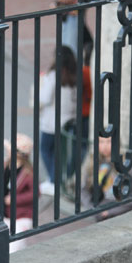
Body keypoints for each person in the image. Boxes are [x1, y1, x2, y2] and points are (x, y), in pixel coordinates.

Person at [39, 46, 77, 195]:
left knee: (45, 149)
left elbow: (45, 98)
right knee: (59, 152)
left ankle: (54, 181)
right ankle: (58, 180)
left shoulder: (54, 76)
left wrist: (41, 82)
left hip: (51, 122)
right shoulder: (75, 75)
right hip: (68, 121)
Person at [80, 136, 132, 219]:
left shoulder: (126, 165)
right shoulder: (92, 162)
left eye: (109, 142)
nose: (105, 146)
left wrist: (111, 211)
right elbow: (84, 189)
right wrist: (91, 208)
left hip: (118, 215)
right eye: (101, 142)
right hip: (98, 212)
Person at [3, 134, 37, 252]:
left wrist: (14, 199)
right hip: (3, 214)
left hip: (20, 216)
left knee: (13, 247)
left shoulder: (28, 173)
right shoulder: (6, 165)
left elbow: (35, 193)